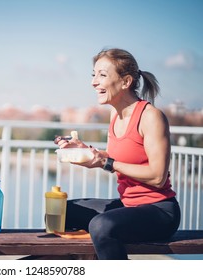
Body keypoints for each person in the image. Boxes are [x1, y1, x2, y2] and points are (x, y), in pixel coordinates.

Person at [54, 48, 180, 260]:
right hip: (128, 204)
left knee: (101, 226)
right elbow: (115, 157)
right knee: (62, 212)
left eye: (102, 75)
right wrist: (84, 151)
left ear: (125, 81)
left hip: (158, 212)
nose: (94, 82)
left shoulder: (151, 117)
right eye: (93, 75)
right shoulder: (115, 113)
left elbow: (157, 177)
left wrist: (107, 162)